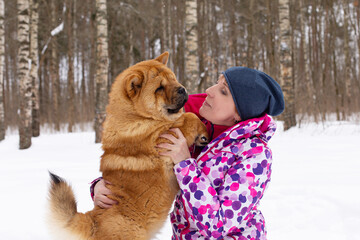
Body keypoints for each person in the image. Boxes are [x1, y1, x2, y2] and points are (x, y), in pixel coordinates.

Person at [90, 66, 285, 239]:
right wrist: (102, 186)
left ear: (239, 114)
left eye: (223, 91)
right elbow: (140, 162)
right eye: (216, 83)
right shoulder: (192, 124)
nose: (209, 91)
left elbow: (218, 225)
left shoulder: (254, 154)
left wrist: (185, 164)